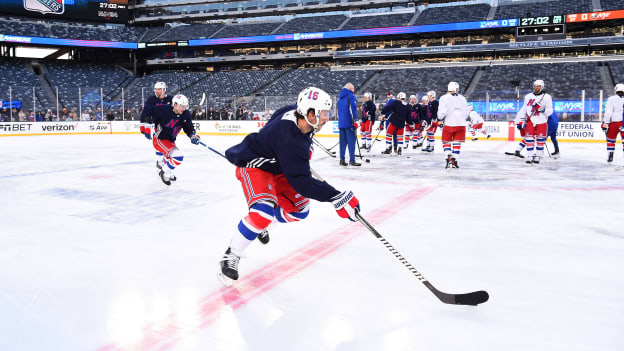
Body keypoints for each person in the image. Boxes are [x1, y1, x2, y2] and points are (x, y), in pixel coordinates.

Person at [218, 87, 361, 286]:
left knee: (300, 211)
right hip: (255, 166)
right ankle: (231, 254)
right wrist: (337, 197)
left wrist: (286, 154)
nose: (327, 118)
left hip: (279, 166)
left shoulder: (297, 113)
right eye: (324, 114)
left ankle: (263, 226)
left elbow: (280, 129)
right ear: (310, 114)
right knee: (262, 213)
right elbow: (301, 182)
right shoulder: (289, 138)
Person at [151, 94, 201, 185]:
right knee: (178, 156)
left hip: (170, 140)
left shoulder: (185, 114)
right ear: (175, 105)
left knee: (170, 157)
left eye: (185, 106)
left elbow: (188, 127)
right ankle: (164, 171)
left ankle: (167, 171)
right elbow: (151, 113)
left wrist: (193, 135)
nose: (184, 108)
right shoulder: (164, 110)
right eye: (182, 106)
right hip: (160, 139)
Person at [515, 79, 553, 164]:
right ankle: (530, 156)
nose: (536, 88)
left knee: (540, 140)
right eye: (535, 86)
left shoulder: (547, 97)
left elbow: (550, 112)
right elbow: (524, 109)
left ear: (542, 87)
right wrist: (520, 120)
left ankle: (537, 156)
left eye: (538, 86)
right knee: (529, 139)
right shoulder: (528, 96)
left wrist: (542, 109)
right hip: (530, 120)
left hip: (542, 121)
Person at [438, 82, 470, 168]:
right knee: (457, 143)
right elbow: (467, 112)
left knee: (446, 142)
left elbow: (441, 113)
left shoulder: (444, 98)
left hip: (449, 123)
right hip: (461, 124)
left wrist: (440, 119)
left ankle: (448, 156)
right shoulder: (462, 98)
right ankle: (455, 160)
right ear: (456, 89)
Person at [380, 92, 413, 156]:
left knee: (388, 134)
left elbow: (388, 107)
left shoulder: (396, 102)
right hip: (401, 124)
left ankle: (388, 148)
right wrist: (410, 123)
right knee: (400, 137)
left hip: (394, 122)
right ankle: (399, 148)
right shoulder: (408, 106)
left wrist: (383, 111)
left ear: (399, 97)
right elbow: (408, 118)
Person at [337, 83, 361, 167]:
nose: (354, 90)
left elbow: (339, 112)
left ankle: (342, 160)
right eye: (353, 88)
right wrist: (355, 121)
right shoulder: (351, 96)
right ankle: (352, 160)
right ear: (350, 88)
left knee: (342, 143)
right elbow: (353, 109)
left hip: (341, 123)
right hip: (349, 123)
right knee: (351, 142)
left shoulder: (339, 99)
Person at [602, 83, 624, 163]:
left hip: (613, 122)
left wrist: (605, 123)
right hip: (623, 122)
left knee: (610, 140)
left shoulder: (611, 99)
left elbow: (608, 112)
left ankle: (610, 154)